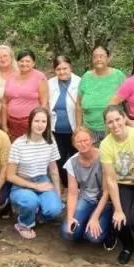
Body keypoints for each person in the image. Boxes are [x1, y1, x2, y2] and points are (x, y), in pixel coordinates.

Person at [99, 106, 134, 265]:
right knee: (120, 220)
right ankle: (127, 245)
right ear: (106, 124)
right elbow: (110, 179)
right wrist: (117, 209)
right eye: (110, 122)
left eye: (117, 119)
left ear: (124, 118)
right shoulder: (105, 145)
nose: (115, 125)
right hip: (122, 185)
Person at [7, 107, 63, 238]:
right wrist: (35, 186)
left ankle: (36, 213)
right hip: (22, 183)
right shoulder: (18, 144)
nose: (40, 125)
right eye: (36, 121)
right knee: (30, 201)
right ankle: (24, 224)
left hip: (42, 179)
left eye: (44, 121)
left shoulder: (50, 141)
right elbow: (10, 176)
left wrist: (58, 192)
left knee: (55, 210)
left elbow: (53, 169)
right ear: (30, 122)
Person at [62, 128, 115, 247]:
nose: (83, 144)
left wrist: (95, 217)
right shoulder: (72, 162)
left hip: (105, 200)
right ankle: (85, 222)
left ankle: (109, 228)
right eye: (79, 141)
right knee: (68, 232)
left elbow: (107, 192)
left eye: (86, 140)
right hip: (86, 198)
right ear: (74, 144)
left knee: (93, 236)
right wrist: (70, 217)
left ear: (92, 140)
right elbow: (72, 193)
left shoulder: (103, 157)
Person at [77, 45, 126, 144]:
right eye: (95, 56)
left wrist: (128, 121)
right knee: (93, 158)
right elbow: (78, 105)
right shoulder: (86, 77)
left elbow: (128, 101)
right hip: (89, 130)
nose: (98, 59)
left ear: (108, 58)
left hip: (113, 129)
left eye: (101, 56)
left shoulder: (118, 76)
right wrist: (78, 127)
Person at [1, 50, 48, 140]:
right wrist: (4, 125)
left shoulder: (39, 77)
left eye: (28, 61)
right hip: (12, 122)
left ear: (33, 63)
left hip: (31, 122)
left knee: (31, 148)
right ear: (17, 62)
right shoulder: (11, 77)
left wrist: (40, 123)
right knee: (16, 149)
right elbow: (4, 103)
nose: (24, 64)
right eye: (21, 61)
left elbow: (44, 104)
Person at [49, 55, 81, 186]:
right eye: (58, 69)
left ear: (70, 67)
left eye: (65, 68)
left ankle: (79, 185)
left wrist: (80, 127)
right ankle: (65, 185)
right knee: (59, 158)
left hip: (74, 129)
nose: (62, 72)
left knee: (77, 157)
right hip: (56, 130)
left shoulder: (80, 82)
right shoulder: (49, 83)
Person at [0, 45, 18, 125]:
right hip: (2, 120)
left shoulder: (21, 72)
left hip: (23, 118)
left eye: (5, 56)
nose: (3, 59)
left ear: (11, 56)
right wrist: (2, 124)